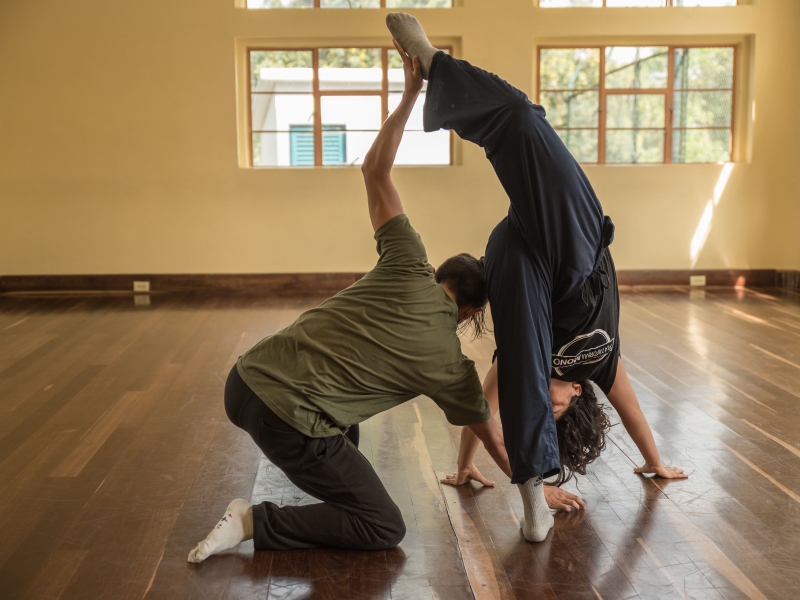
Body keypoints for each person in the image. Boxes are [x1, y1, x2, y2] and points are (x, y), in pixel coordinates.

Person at [187, 40, 512, 563]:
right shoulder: (450, 368)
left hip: (244, 380)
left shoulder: (407, 260)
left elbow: (374, 171)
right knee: (382, 525)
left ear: (437, 274)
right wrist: (535, 489)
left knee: (347, 426)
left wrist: (410, 95)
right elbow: (492, 436)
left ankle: (329, 487)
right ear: (472, 312)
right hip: (284, 417)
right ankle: (252, 521)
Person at [386, 13, 687, 543]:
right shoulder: (602, 365)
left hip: (518, 265)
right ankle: (438, 66)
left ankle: (530, 487)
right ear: (577, 391)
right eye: (560, 406)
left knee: (520, 345)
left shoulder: (520, 365)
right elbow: (637, 417)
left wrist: (464, 467)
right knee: (524, 122)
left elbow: (479, 409)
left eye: (544, 410)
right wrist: (655, 463)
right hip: (578, 256)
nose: (551, 403)